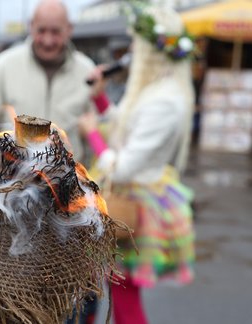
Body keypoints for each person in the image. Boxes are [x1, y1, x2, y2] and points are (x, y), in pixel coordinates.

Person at [79, 4, 196, 324]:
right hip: (128, 198)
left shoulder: (165, 102)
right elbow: (129, 131)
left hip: (132, 205)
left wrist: (93, 137)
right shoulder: (159, 93)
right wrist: (102, 100)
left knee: (122, 293)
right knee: (108, 287)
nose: (131, 51)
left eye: (136, 45)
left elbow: (125, 166)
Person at [0, 0, 98, 164]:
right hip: (12, 185)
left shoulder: (86, 71)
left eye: (55, 32)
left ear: (69, 30)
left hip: (68, 185)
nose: (48, 40)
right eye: (41, 30)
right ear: (31, 26)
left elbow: (96, 130)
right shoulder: (3, 67)